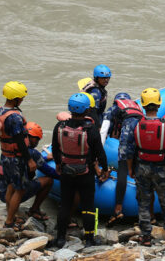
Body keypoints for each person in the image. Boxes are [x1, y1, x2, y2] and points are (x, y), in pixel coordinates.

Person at [121, 88, 165, 246]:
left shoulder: (135, 124)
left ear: (142, 104)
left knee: (143, 202)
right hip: (162, 168)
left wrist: (130, 169)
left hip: (142, 168)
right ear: (159, 104)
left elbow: (129, 150)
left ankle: (146, 236)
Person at [51, 93, 108, 248]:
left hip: (66, 171)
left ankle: (60, 238)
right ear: (86, 110)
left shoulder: (59, 127)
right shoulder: (91, 129)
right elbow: (100, 153)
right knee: (88, 205)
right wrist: (104, 168)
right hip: (86, 173)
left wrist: (58, 164)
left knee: (65, 204)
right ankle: (89, 239)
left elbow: (55, 149)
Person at [0, 81, 36, 230]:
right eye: (21, 98)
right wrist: (29, 160)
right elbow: (20, 141)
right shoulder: (15, 117)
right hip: (16, 158)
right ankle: (9, 222)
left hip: (5, 155)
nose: (22, 100)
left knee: (10, 186)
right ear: (16, 99)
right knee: (19, 189)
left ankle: (11, 215)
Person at [0, 122, 57, 222]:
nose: (37, 142)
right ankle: (34, 210)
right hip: (13, 192)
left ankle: (10, 214)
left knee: (12, 185)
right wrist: (69, 175)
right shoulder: (33, 153)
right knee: (49, 180)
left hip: (0, 190)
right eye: (37, 139)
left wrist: (44, 158)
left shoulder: (9, 148)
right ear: (31, 137)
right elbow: (50, 172)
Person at [101, 93, 145, 225]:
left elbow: (103, 131)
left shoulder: (114, 108)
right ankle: (145, 212)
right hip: (141, 131)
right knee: (138, 166)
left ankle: (118, 208)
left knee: (123, 168)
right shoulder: (137, 107)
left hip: (128, 135)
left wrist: (98, 152)